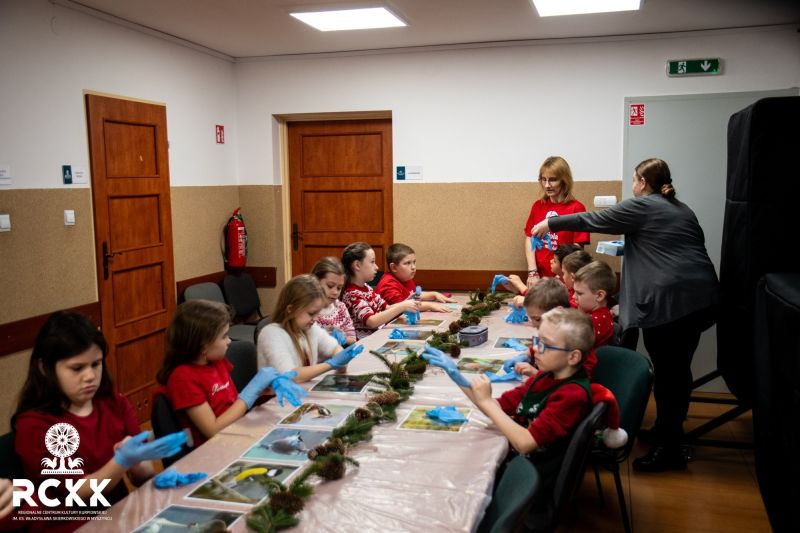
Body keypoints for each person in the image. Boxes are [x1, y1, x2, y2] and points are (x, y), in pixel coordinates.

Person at [532, 158, 719, 472]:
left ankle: (670, 450)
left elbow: (596, 219)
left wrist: (551, 224)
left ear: (642, 183)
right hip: (700, 299)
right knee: (677, 371)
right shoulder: (682, 209)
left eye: (634, 180)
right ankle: (667, 430)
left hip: (671, 304)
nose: (633, 185)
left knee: (670, 375)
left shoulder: (645, 205)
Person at [11, 311, 185, 532]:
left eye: (96, 364)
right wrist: (122, 460)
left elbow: (142, 476)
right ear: (44, 368)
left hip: (118, 516)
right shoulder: (35, 425)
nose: (90, 376)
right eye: (77, 368)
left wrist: (142, 462)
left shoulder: (112, 401)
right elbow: (80, 493)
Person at [423, 307, 593, 490]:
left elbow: (525, 443)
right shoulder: (545, 378)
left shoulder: (572, 396)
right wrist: (458, 377)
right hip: (520, 466)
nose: (535, 349)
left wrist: (487, 402)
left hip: (532, 482)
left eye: (545, 345)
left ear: (573, 357)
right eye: (537, 341)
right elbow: (496, 407)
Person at [158, 300, 305, 447]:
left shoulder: (216, 361)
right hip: (214, 447)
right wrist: (250, 393)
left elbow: (230, 403)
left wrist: (261, 392)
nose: (229, 341)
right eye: (224, 336)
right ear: (203, 345)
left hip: (235, 431)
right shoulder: (183, 378)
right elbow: (213, 430)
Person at [257, 274, 364, 381]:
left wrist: (342, 362)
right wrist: (330, 365)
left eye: (318, 313)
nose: (316, 318)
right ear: (291, 309)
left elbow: (334, 348)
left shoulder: (310, 329)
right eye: (311, 313)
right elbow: (290, 376)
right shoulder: (271, 334)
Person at [523, 156, 590, 287]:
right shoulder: (538, 205)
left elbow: (577, 249)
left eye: (553, 180)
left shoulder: (577, 208)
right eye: (544, 179)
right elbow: (530, 238)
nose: (547, 185)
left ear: (564, 181)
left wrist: (563, 274)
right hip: (539, 277)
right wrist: (532, 272)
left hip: (564, 277)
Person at [341, 242, 419, 339]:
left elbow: (386, 308)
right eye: (372, 262)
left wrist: (406, 303)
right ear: (357, 265)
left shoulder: (367, 288)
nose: (377, 267)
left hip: (377, 337)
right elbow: (372, 321)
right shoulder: (352, 294)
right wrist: (402, 306)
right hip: (364, 343)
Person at [374, 243, 455, 311]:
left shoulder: (405, 277)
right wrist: (430, 306)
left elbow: (415, 295)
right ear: (394, 267)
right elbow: (403, 307)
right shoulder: (388, 285)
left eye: (414, 262)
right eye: (408, 263)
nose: (413, 267)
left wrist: (434, 294)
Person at [572, 260, 617, 378]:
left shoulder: (597, 321)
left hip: (582, 375)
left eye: (579, 293)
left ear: (599, 296)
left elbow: (570, 341)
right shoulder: (592, 313)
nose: (573, 296)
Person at [311, 256, 356, 347]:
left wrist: (343, 338)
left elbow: (353, 338)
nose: (335, 292)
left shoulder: (341, 307)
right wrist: (326, 338)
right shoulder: (309, 311)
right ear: (315, 281)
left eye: (339, 288)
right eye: (330, 286)